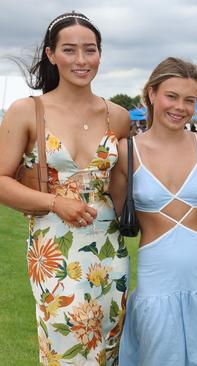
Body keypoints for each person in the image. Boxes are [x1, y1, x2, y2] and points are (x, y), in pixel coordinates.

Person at [0, 11, 131, 365]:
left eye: (90, 50)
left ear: (100, 54)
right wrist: (55, 203)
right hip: (55, 251)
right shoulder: (26, 111)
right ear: (50, 54)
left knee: (108, 346)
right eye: (70, 50)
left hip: (109, 251)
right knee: (65, 347)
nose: (82, 60)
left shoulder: (117, 116)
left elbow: (123, 186)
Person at [114, 57, 197, 365]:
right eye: (172, 96)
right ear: (151, 94)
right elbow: (114, 211)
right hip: (156, 275)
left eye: (189, 99)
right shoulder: (126, 151)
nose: (180, 107)